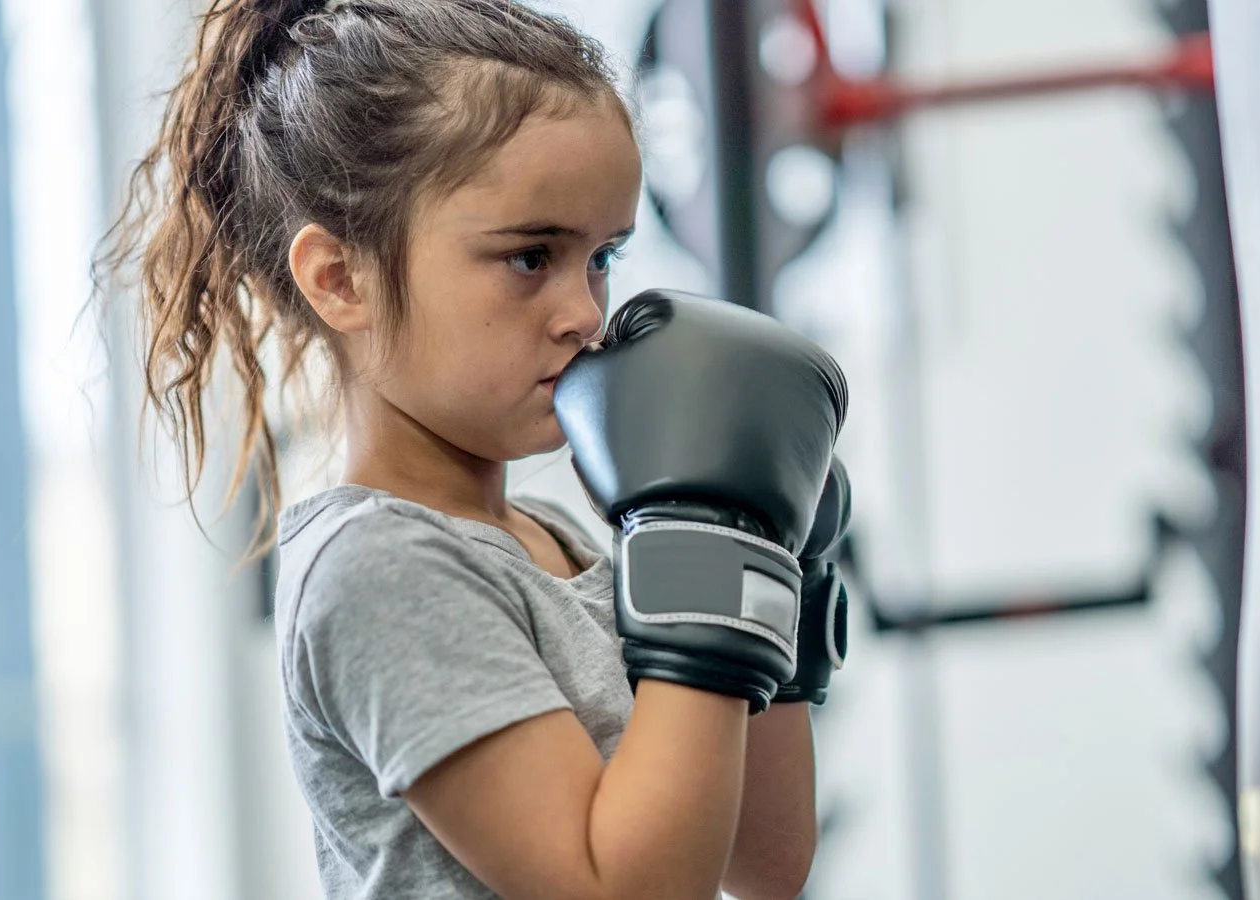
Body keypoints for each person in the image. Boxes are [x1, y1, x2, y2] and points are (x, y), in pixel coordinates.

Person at [96, 1, 851, 898]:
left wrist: (764, 553)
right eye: (531, 257)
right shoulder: (380, 568)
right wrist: (702, 551)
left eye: (601, 257)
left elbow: (765, 864)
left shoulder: (561, 539)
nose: (584, 312)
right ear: (342, 280)